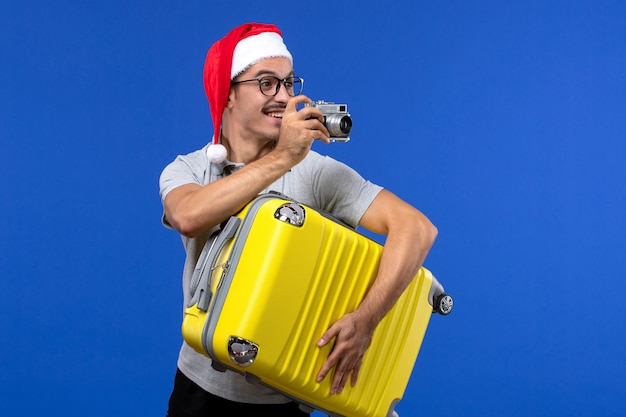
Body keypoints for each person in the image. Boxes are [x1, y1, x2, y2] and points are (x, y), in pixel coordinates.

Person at [159, 22, 438, 417]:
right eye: (267, 83)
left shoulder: (316, 171)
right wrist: (283, 157)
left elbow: (417, 229)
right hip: (199, 389)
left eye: (288, 83)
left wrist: (366, 319)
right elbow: (188, 215)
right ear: (229, 93)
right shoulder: (187, 170)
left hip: (284, 394)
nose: (284, 97)